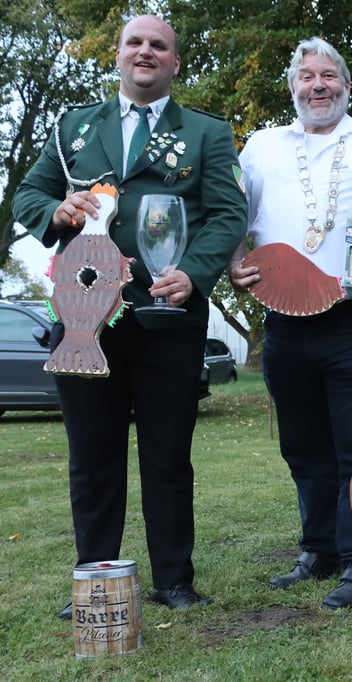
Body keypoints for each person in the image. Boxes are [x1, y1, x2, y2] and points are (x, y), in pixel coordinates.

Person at [13, 15, 248, 617]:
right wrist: (57, 208)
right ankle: (95, 578)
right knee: (92, 455)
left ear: (175, 62)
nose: (145, 52)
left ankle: (174, 581)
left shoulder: (206, 133)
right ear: (117, 56)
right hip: (84, 318)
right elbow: (27, 196)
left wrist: (193, 273)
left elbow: (226, 214)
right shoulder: (72, 127)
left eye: (159, 46)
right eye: (135, 43)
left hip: (168, 315)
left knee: (169, 456)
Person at [229, 37, 352, 610]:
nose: (318, 85)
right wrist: (234, 260)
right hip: (283, 319)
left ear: (346, 86)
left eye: (329, 75)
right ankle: (319, 549)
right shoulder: (260, 146)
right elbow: (237, 214)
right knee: (303, 444)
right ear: (292, 88)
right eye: (307, 76)